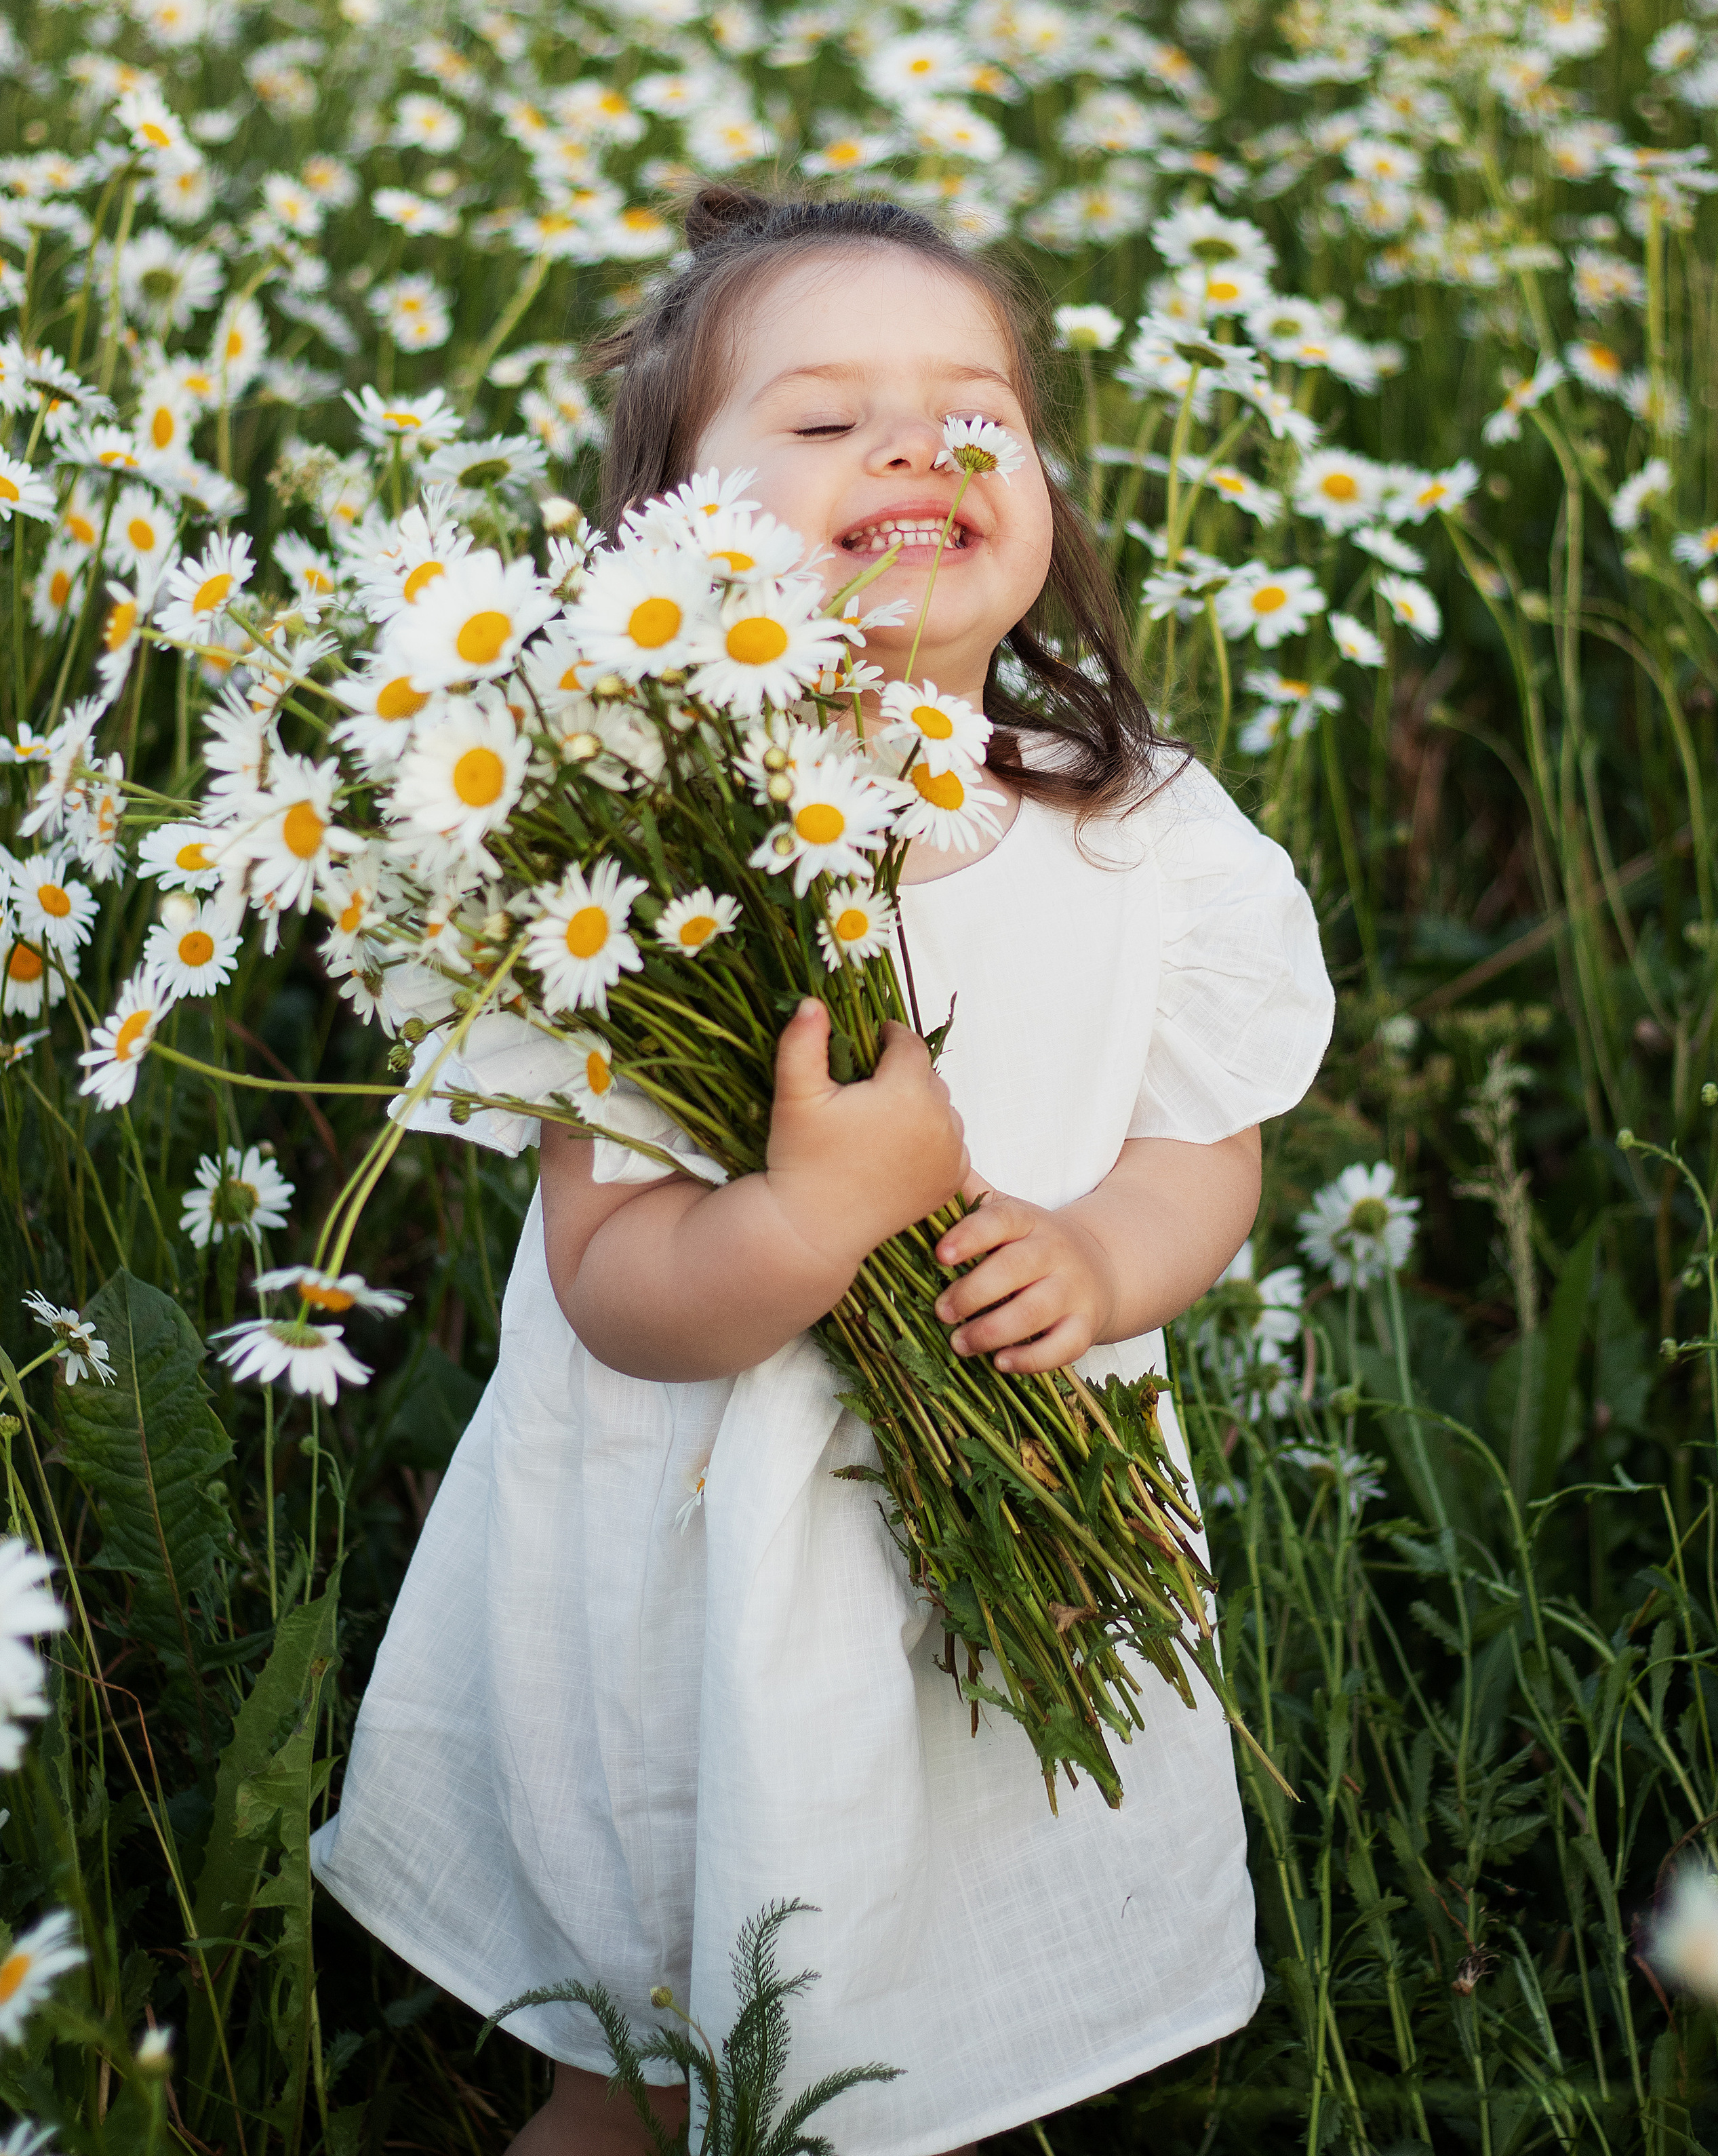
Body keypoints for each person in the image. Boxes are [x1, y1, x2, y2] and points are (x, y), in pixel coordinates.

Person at [311, 186, 1335, 2156]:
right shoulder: (598, 869)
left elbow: (1201, 1149)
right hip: (696, 1568)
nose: (916, 449)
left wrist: (1108, 1263)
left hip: (1002, 1527)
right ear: (661, 541)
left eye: (975, 415)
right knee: (647, 2031)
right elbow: (617, 1292)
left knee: (942, 1981)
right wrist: (813, 1217)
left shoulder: (1146, 839)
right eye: (823, 417)